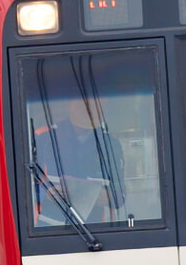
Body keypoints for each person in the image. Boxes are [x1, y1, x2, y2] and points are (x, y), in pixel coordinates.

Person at [31, 94, 126, 224]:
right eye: (84, 107)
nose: (87, 112)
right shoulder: (43, 138)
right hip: (49, 230)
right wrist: (47, 193)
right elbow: (22, 186)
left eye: (93, 109)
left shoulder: (111, 143)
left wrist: (110, 197)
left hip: (95, 231)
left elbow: (121, 194)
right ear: (70, 107)